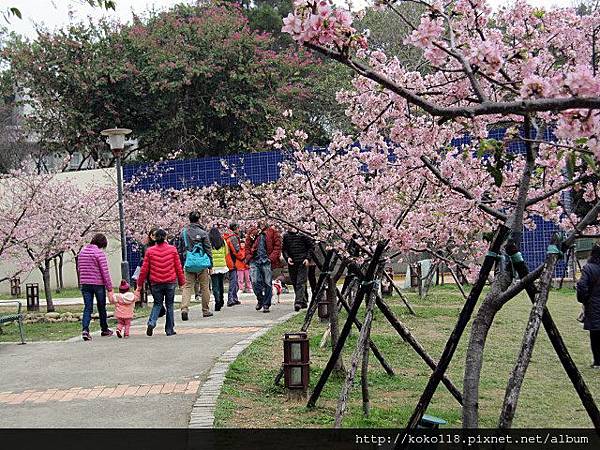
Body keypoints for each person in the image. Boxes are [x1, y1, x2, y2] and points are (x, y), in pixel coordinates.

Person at [136, 229, 186, 336]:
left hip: (155, 282)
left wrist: (139, 284)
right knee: (169, 305)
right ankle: (169, 330)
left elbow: (144, 269)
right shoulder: (172, 250)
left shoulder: (150, 251)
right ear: (165, 237)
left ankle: (152, 322)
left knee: (157, 304)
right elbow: (178, 267)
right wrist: (182, 282)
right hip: (170, 282)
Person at [77, 233, 114, 341]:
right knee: (101, 306)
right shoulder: (99, 253)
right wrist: (109, 288)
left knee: (87, 307)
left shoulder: (82, 252)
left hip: (85, 284)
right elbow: (104, 272)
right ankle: (104, 329)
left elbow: (80, 268)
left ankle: (85, 330)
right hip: (98, 284)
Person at [178, 211, 213, 320]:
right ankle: (205, 310)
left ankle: (184, 308)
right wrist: (210, 264)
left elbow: (180, 249)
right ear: (199, 219)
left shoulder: (184, 232)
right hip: (202, 263)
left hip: (189, 262)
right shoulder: (203, 233)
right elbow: (208, 249)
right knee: (204, 286)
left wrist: (182, 261)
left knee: (188, 286)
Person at [245, 219, 282, 313]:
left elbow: (277, 246)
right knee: (254, 281)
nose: (261, 221)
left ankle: (266, 304)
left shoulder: (272, 232)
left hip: (266, 260)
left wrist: (271, 258)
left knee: (267, 283)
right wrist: (249, 257)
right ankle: (260, 299)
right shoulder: (252, 231)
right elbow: (247, 245)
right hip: (254, 260)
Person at [577, 243, 600, 368]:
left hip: (593, 304)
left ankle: (597, 361)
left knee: (595, 334)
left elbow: (582, 286)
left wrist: (584, 300)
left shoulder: (589, 268)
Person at [282, 228, 314, 311]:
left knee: (301, 281)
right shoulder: (286, 236)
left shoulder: (303, 235)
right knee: (295, 281)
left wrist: (307, 258)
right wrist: (287, 257)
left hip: (302, 261)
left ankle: (298, 302)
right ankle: (303, 301)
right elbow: (284, 249)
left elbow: (311, 247)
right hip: (292, 262)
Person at [209, 226, 228, 311]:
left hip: (214, 266)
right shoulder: (223, 241)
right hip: (222, 266)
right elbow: (226, 252)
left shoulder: (209, 243)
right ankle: (221, 299)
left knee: (215, 285)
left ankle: (217, 301)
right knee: (221, 284)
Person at [223, 223, 243, 307]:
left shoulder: (227, 237)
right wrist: (243, 258)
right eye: (238, 228)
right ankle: (231, 299)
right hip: (232, 261)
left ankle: (234, 298)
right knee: (233, 281)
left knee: (234, 280)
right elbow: (236, 251)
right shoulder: (233, 238)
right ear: (236, 228)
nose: (239, 230)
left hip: (227, 260)